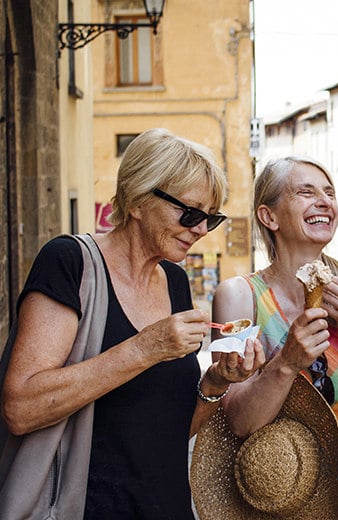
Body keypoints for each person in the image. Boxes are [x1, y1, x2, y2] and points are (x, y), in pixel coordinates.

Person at [0, 128, 263, 519]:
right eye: (190, 213)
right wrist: (145, 348)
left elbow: (168, 431)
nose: (201, 229)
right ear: (139, 200)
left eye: (211, 218)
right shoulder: (69, 262)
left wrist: (216, 383)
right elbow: (21, 408)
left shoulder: (174, 280)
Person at [212, 156, 338, 519]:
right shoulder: (239, 298)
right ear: (268, 217)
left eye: (330, 193)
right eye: (306, 192)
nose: (324, 201)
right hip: (277, 510)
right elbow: (238, 422)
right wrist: (285, 362)